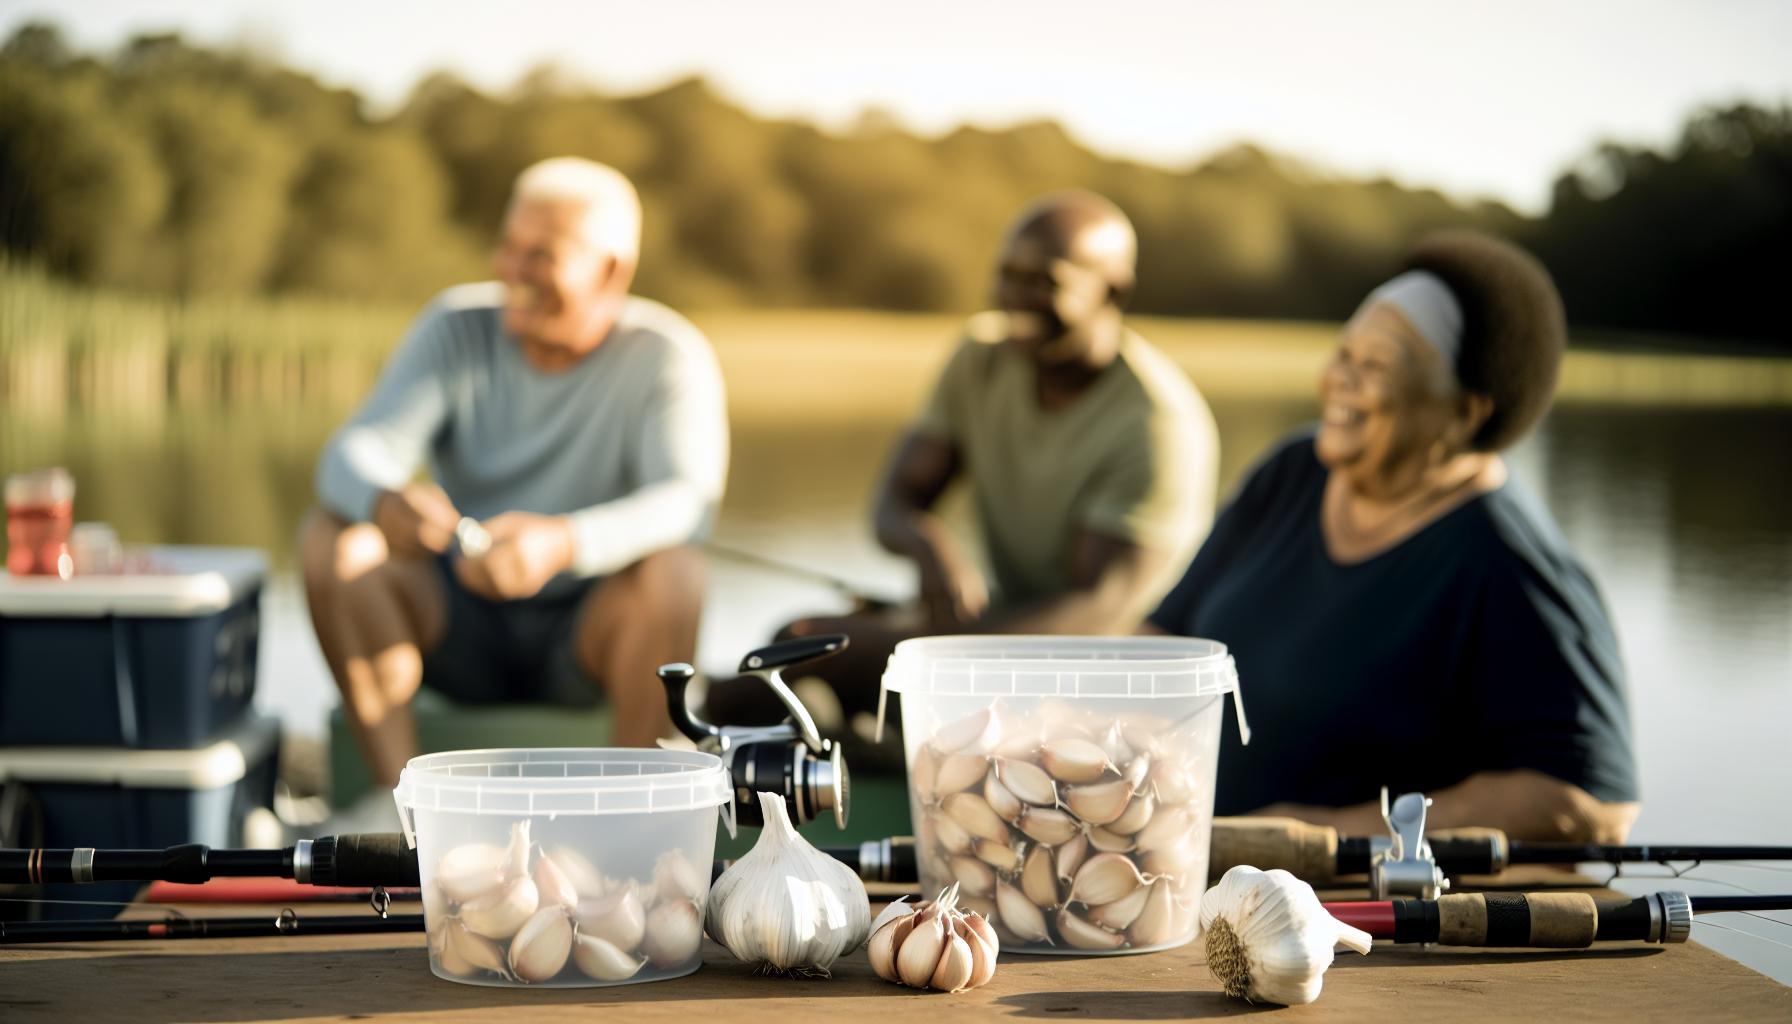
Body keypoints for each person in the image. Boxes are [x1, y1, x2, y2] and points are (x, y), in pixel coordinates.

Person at [1145, 230, 1639, 842]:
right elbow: (1163, 640)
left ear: (1467, 411)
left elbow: (1590, 804)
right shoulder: (1295, 471)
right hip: (1177, 864)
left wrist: (1329, 833)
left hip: (1336, 917)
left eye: (1376, 365)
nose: (1340, 380)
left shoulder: (1507, 563)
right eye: (1345, 353)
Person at [301, 157, 728, 798]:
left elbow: (687, 503)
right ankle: (400, 809)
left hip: (587, 634)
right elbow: (349, 454)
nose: (512, 271)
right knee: (335, 540)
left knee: (677, 573)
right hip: (457, 619)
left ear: (611, 269)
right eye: (509, 246)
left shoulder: (668, 355)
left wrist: (562, 543)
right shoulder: (454, 326)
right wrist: (387, 502)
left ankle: (626, 814)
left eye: (541, 255)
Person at [734, 191, 1217, 718]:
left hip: (1110, 683)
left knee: (802, 650)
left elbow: (1098, 615)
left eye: (1044, 282)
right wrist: (929, 546)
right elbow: (894, 501)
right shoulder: (980, 358)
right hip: (999, 640)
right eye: (1007, 274)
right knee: (806, 645)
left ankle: (701, 721)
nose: (1015, 298)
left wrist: (940, 651)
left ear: (1114, 289)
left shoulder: (1157, 421)